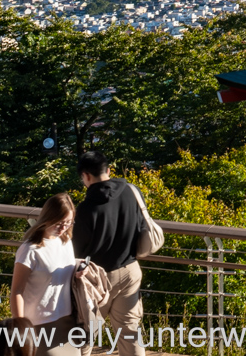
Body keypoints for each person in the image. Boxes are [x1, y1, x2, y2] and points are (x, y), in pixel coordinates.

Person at [72, 152, 145, 356]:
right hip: (130, 270)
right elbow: (141, 225)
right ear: (109, 171)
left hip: (96, 279)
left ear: (85, 176)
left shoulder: (86, 209)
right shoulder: (131, 191)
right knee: (130, 333)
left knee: (84, 333)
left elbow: (77, 250)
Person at [11, 194, 79, 356]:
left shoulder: (65, 241)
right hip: (38, 324)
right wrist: (21, 327)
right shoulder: (30, 250)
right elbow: (16, 291)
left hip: (67, 320)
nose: (64, 227)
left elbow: (62, 266)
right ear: (48, 217)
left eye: (69, 222)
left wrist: (81, 267)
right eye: (60, 222)